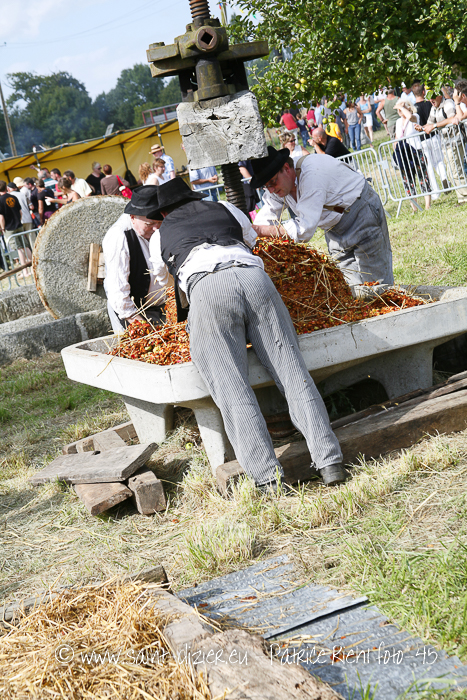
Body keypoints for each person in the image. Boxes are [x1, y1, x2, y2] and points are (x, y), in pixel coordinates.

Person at [149, 177, 347, 490]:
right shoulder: (224, 207)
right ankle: (330, 462)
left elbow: (163, 280)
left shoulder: (160, 235)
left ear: (163, 213)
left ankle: (268, 478)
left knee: (232, 387)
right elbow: (250, 241)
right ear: (195, 198)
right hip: (254, 278)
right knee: (292, 372)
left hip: (208, 288)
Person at [251, 146, 393, 287]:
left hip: (361, 214)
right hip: (334, 229)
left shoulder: (311, 174)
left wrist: (260, 231)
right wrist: (251, 234)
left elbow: (304, 229)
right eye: (266, 186)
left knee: (377, 283)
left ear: (286, 168)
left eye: (273, 182)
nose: (271, 190)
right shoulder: (279, 188)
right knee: (350, 287)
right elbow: (265, 216)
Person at [102, 185, 167, 332]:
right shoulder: (119, 237)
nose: (156, 228)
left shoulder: (159, 228)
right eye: (150, 224)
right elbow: (118, 291)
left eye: (160, 222)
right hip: (133, 312)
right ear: (132, 217)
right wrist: (141, 327)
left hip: (164, 307)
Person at [420, 91, 467, 206]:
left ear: (439, 95)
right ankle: (461, 199)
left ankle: (465, 197)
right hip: (445, 143)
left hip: (455, 141)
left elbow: (452, 119)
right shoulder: (434, 108)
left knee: (456, 171)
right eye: (428, 98)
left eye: (432, 97)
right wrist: (421, 128)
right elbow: (429, 124)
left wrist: (434, 125)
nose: (430, 100)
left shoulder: (448, 104)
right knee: (451, 173)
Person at [393, 99, 431, 211]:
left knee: (423, 177)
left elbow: (410, 117)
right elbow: (397, 137)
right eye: (398, 108)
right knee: (408, 180)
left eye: (403, 107)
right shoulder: (398, 122)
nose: (400, 110)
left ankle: (427, 205)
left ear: (409, 107)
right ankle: (414, 207)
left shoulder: (415, 117)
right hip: (404, 153)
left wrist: (402, 107)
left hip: (416, 150)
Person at [413, 84, 447, 199]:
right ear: (423, 92)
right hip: (433, 135)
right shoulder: (430, 103)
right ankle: (444, 178)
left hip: (422, 140)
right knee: (439, 161)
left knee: (429, 167)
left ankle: (436, 192)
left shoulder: (413, 108)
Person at [6, 183, 33, 276]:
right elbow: (30, 206)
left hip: (16, 223)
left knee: (20, 247)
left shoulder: (9, 197)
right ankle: (33, 266)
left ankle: (25, 270)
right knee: (28, 244)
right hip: (27, 220)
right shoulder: (22, 194)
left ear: (9, 189)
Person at [0, 180, 23, 261]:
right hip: (19, 225)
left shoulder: (0, 200)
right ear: (6, 188)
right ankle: (31, 263)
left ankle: (24, 267)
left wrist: (3, 228)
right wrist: (19, 220)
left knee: (18, 248)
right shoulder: (14, 197)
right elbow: (20, 212)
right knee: (25, 246)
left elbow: (1, 217)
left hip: (9, 228)